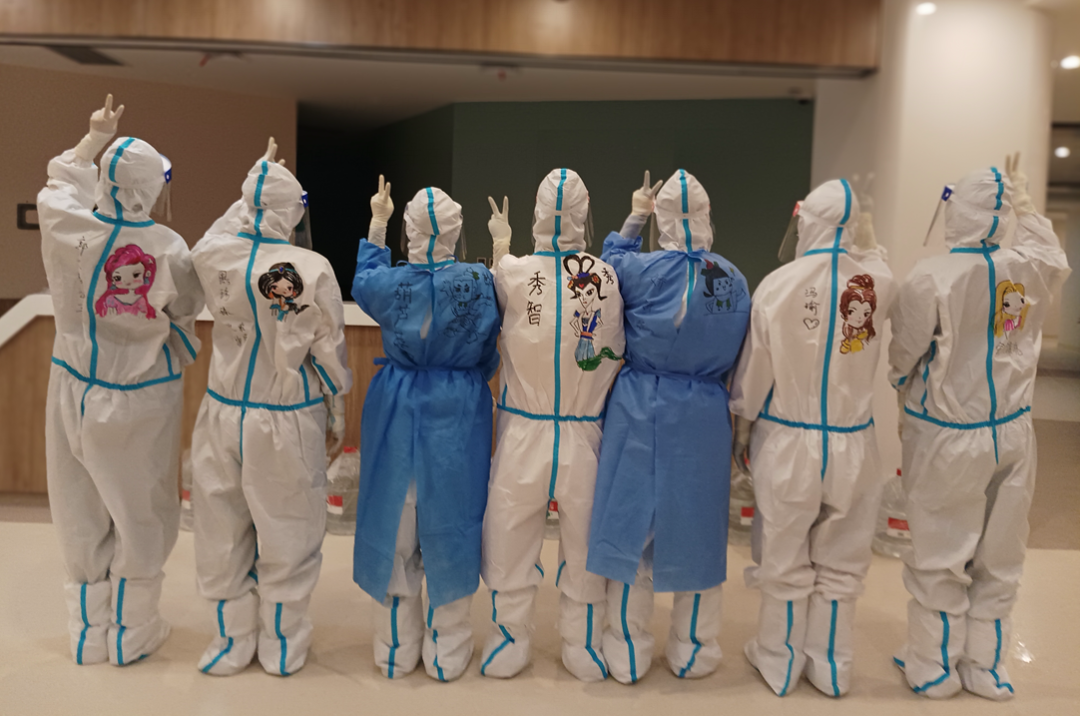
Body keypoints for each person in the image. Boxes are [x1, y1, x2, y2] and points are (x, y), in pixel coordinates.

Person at [888, 157, 1070, 701]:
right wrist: (1026, 208)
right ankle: (987, 668)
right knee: (1001, 553)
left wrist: (900, 384)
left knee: (940, 552)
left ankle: (933, 666)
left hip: (947, 433)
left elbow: (904, 352)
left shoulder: (932, 275)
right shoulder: (1027, 267)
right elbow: (1052, 256)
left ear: (957, 211)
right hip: (1012, 432)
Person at [38, 95, 204, 665]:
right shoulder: (168, 247)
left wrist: (93, 139)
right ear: (151, 189)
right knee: (142, 512)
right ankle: (133, 632)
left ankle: (88, 634)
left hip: (71, 384)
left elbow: (58, 185)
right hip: (141, 394)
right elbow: (185, 310)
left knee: (77, 507)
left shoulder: (66, 223)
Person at [190, 138, 351, 676]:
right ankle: (282, 642)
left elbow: (215, 234)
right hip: (287, 415)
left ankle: (230, 639)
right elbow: (328, 350)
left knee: (220, 527)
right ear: (292, 211)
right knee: (290, 529)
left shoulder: (214, 253)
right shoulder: (312, 266)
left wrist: (255, 180)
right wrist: (338, 406)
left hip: (223, 410)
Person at [729, 178, 893, 697]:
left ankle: (779, 661)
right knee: (843, 558)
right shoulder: (877, 282)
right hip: (854, 442)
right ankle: (832, 665)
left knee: (783, 553)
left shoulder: (777, 285)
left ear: (807, 223)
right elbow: (882, 267)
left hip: (788, 440)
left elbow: (754, 374)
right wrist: (868, 241)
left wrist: (741, 430)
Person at [587, 170, 750, 683]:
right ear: (707, 216)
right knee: (698, 530)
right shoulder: (733, 278)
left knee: (630, 527)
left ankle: (626, 647)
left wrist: (634, 218)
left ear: (661, 218)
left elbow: (605, 265)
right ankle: (694, 647)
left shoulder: (639, 270)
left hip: (638, 405)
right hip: (703, 412)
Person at [351, 178, 500, 682]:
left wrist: (378, 222)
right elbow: (489, 351)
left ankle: (394, 649)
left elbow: (363, 280)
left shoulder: (391, 283)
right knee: (454, 524)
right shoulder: (479, 281)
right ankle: (448, 650)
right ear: (457, 232)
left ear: (409, 231)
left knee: (396, 519)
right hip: (459, 409)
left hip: (397, 404)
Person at [480, 169, 625, 681]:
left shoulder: (519, 272)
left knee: (531, 531)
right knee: (530, 531)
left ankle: (528, 637)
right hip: (559, 426)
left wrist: (501, 245)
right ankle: (557, 638)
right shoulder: (604, 276)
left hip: (549, 426)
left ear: (537, 212)